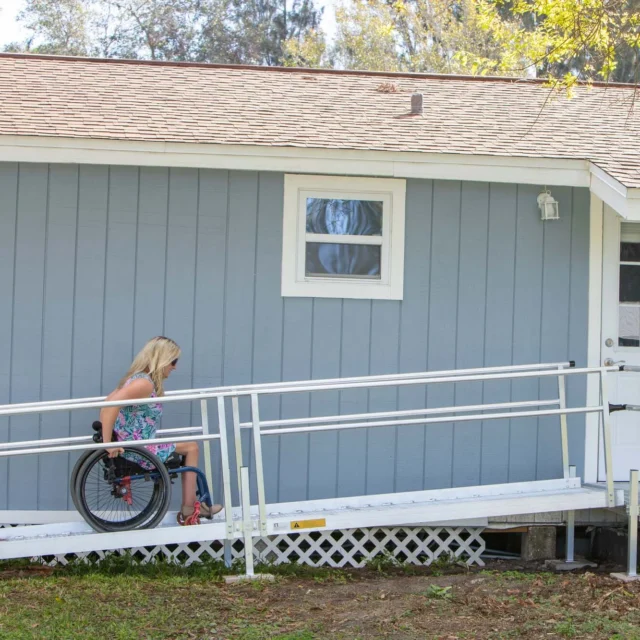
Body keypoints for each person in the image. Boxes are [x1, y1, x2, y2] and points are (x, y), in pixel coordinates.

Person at [99, 336, 222, 526]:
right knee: (191, 448)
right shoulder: (144, 384)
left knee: (189, 446)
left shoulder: (136, 379)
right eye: (173, 361)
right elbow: (110, 407)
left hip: (137, 443)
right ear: (161, 359)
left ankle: (191, 506)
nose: (175, 367)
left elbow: (107, 403)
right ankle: (189, 507)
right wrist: (109, 444)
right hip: (139, 449)